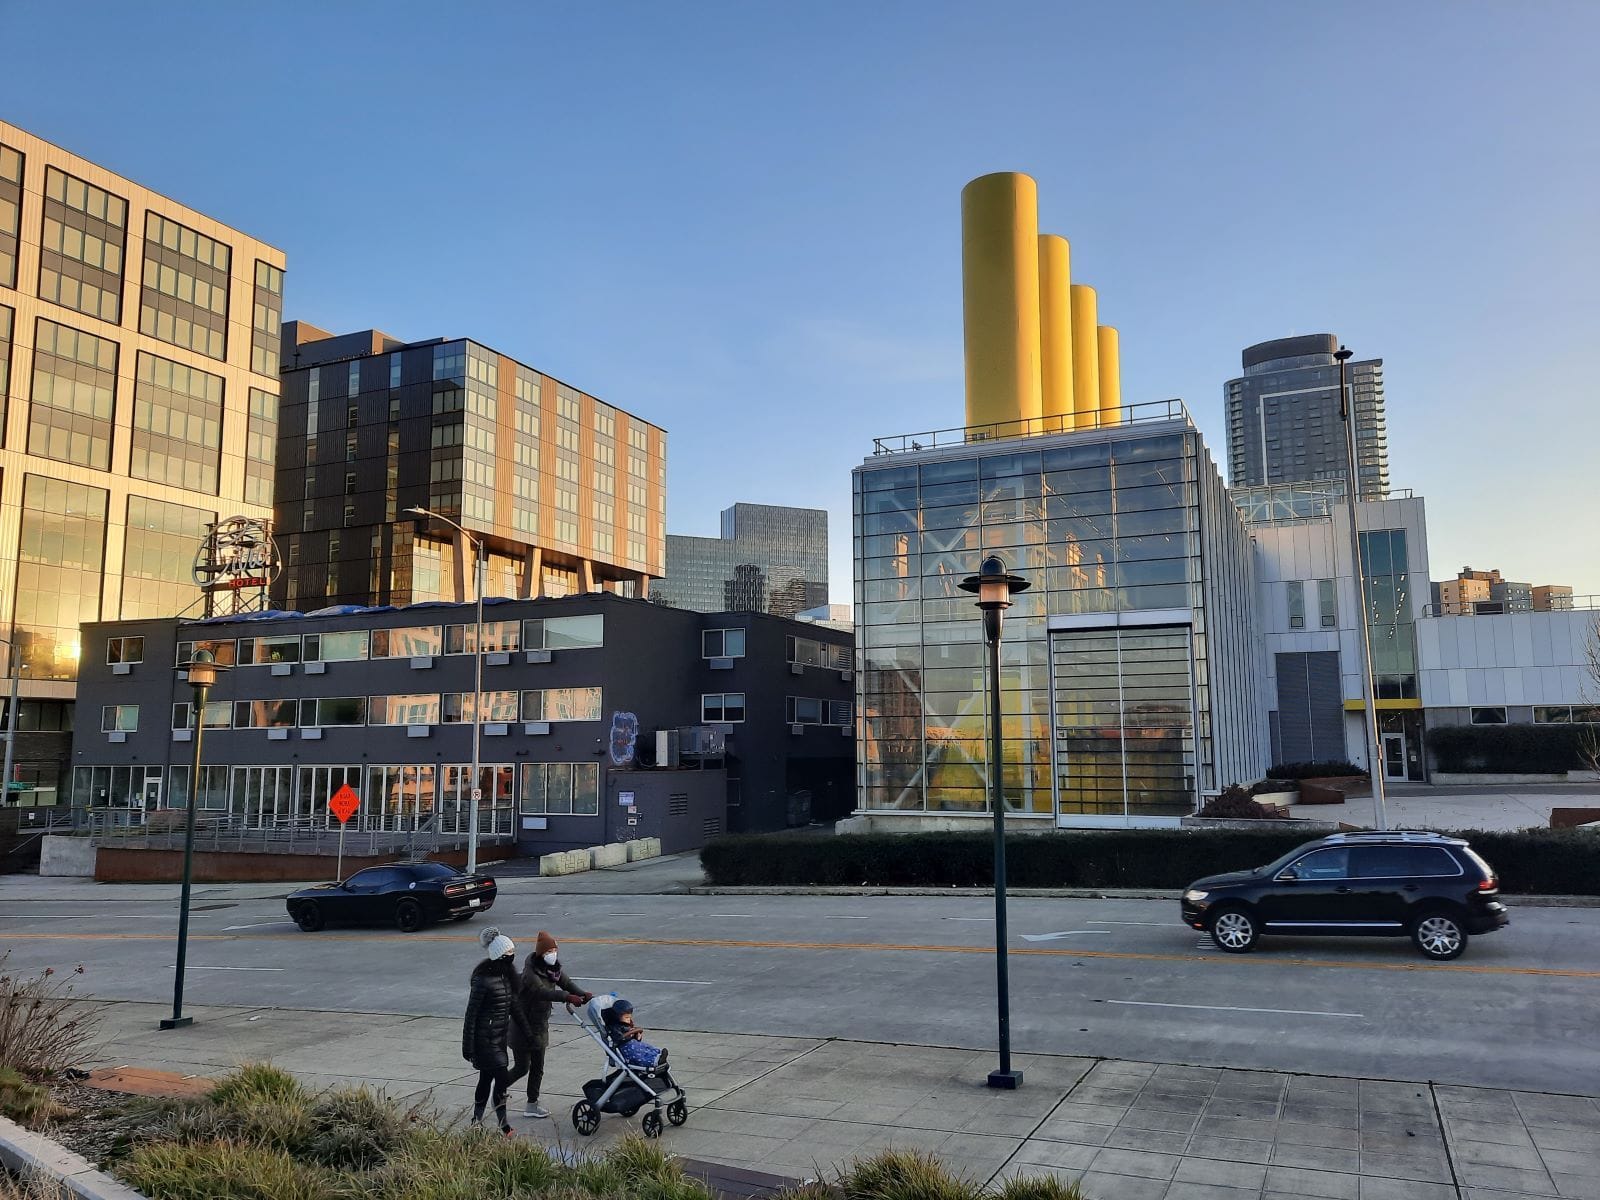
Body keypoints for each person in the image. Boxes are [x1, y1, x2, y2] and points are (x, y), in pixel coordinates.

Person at [508, 930, 591, 1119]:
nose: (553, 954)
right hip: (522, 1027)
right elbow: (542, 992)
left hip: (539, 1025)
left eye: (555, 950)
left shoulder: (553, 970)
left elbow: (566, 982)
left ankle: (531, 1105)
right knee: (522, 1067)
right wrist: (567, 997)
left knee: (538, 1067)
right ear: (540, 954)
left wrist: (582, 994)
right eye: (549, 951)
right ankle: (499, 1090)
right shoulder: (530, 974)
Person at [462, 926, 535, 1134]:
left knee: (485, 1079)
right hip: (484, 1040)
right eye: (508, 953)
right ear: (498, 956)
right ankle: (503, 1124)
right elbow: (471, 1015)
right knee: (501, 1077)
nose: (512, 957)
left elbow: (515, 1009)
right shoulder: (482, 981)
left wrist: (528, 1033)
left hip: (499, 1039)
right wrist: (467, 1046)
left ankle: (477, 1119)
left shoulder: (507, 979)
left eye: (513, 952)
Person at [602, 998, 667, 1070]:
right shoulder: (614, 1027)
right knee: (638, 1055)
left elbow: (631, 1035)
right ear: (617, 1017)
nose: (629, 1019)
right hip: (624, 1048)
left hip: (632, 1043)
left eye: (630, 1017)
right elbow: (619, 1038)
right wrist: (631, 1033)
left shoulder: (625, 1024)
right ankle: (653, 1061)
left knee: (645, 1047)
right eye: (626, 1017)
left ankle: (658, 1055)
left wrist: (637, 1035)